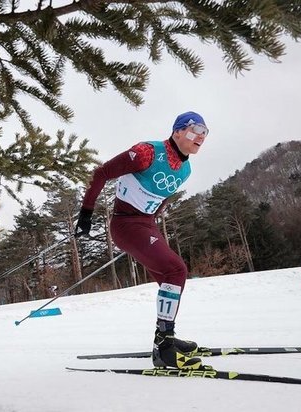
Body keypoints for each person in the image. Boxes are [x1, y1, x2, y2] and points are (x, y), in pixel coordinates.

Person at [76, 111, 209, 370]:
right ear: (178, 131)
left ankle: (167, 337)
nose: (201, 136)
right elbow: (101, 173)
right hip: (125, 224)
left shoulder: (186, 169)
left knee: (171, 279)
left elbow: (160, 200)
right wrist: (86, 213)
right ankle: (163, 347)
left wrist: (151, 229)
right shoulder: (147, 152)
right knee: (176, 269)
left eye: (206, 133)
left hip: (145, 225)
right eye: (196, 129)